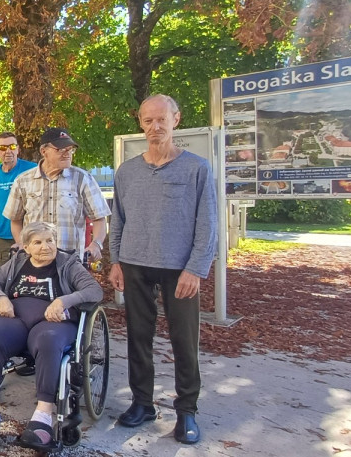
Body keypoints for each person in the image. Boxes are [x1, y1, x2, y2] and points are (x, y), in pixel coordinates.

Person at [109, 94, 217, 445]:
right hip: (135, 265)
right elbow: (118, 220)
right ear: (140, 123)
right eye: (147, 121)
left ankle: (186, 410)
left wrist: (196, 269)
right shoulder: (127, 171)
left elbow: (207, 224)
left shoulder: (196, 168)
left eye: (161, 119)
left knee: (184, 340)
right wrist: (115, 260)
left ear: (176, 119)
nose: (154, 127)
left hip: (179, 269)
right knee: (139, 338)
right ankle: (142, 403)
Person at [0, 222, 103, 448]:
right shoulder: (18, 262)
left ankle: (43, 418)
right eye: (38, 242)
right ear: (26, 247)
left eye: (50, 241)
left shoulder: (68, 264)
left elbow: (95, 290)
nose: (45, 247)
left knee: (48, 341)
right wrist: (1, 298)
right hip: (16, 317)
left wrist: (64, 300)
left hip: (52, 321)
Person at [5, 128, 111, 261]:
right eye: (60, 149)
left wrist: (96, 244)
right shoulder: (23, 180)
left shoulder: (83, 179)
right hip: (34, 261)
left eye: (70, 149)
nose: (67, 154)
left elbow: (99, 218)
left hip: (71, 262)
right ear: (44, 152)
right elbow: (15, 219)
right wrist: (21, 243)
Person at [0, 132, 37, 264]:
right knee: (6, 274)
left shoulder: (32, 170)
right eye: (3, 148)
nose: (8, 151)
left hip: (31, 234)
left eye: (12, 146)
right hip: (4, 234)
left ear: (18, 149)